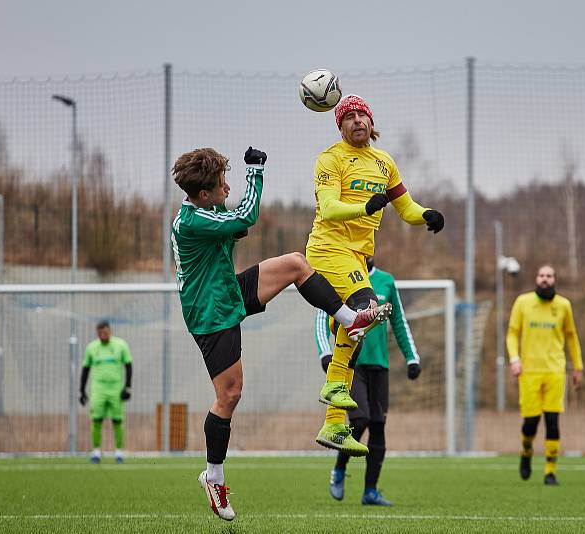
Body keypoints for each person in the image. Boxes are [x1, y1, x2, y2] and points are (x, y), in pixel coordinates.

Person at [171, 146, 386, 522]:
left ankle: (349, 318)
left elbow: (234, 223)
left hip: (227, 289)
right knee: (230, 395)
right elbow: (246, 217)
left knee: (296, 264)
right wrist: (256, 170)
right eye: (222, 182)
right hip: (210, 312)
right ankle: (214, 476)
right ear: (203, 194)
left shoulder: (207, 208)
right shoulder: (193, 221)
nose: (227, 186)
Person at [308, 95, 444, 457]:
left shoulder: (384, 163)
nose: (356, 120)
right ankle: (336, 384)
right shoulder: (330, 159)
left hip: (356, 255)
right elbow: (331, 208)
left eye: (361, 114)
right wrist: (365, 206)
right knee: (367, 307)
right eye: (348, 116)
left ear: (371, 121)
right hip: (328, 250)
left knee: (360, 319)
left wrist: (426, 214)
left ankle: (335, 423)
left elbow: (405, 206)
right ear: (340, 125)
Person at [315, 256, 422, 506]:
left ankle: (370, 491)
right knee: (360, 418)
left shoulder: (386, 281)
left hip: (380, 365)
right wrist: (324, 352)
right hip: (353, 365)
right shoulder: (341, 275)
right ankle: (340, 467)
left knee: (378, 424)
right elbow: (322, 316)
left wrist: (411, 358)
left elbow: (398, 321)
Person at [506, 264, 583, 486]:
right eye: (541, 275)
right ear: (536, 278)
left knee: (552, 421)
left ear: (555, 280)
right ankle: (526, 451)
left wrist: (578, 367)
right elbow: (512, 333)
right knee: (530, 423)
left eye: (549, 276)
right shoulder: (523, 302)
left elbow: (571, 337)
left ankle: (550, 471)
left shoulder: (563, 306)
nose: (545, 279)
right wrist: (514, 359)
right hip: (529, 371)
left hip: (555, 371)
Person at [79, 320, 133, 464]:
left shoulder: (121, 345)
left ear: (110, 331)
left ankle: (119, 452)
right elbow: (85, 369)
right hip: (98, 390)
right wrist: (82, 391)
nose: (103, 334)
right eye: (100, 332)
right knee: (96, 419)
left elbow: (128, 365)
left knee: (117, 420)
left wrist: (127, 387)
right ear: (97, 333)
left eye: (105, 331)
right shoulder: (91, 348)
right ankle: (96, 451)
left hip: (116, 389)